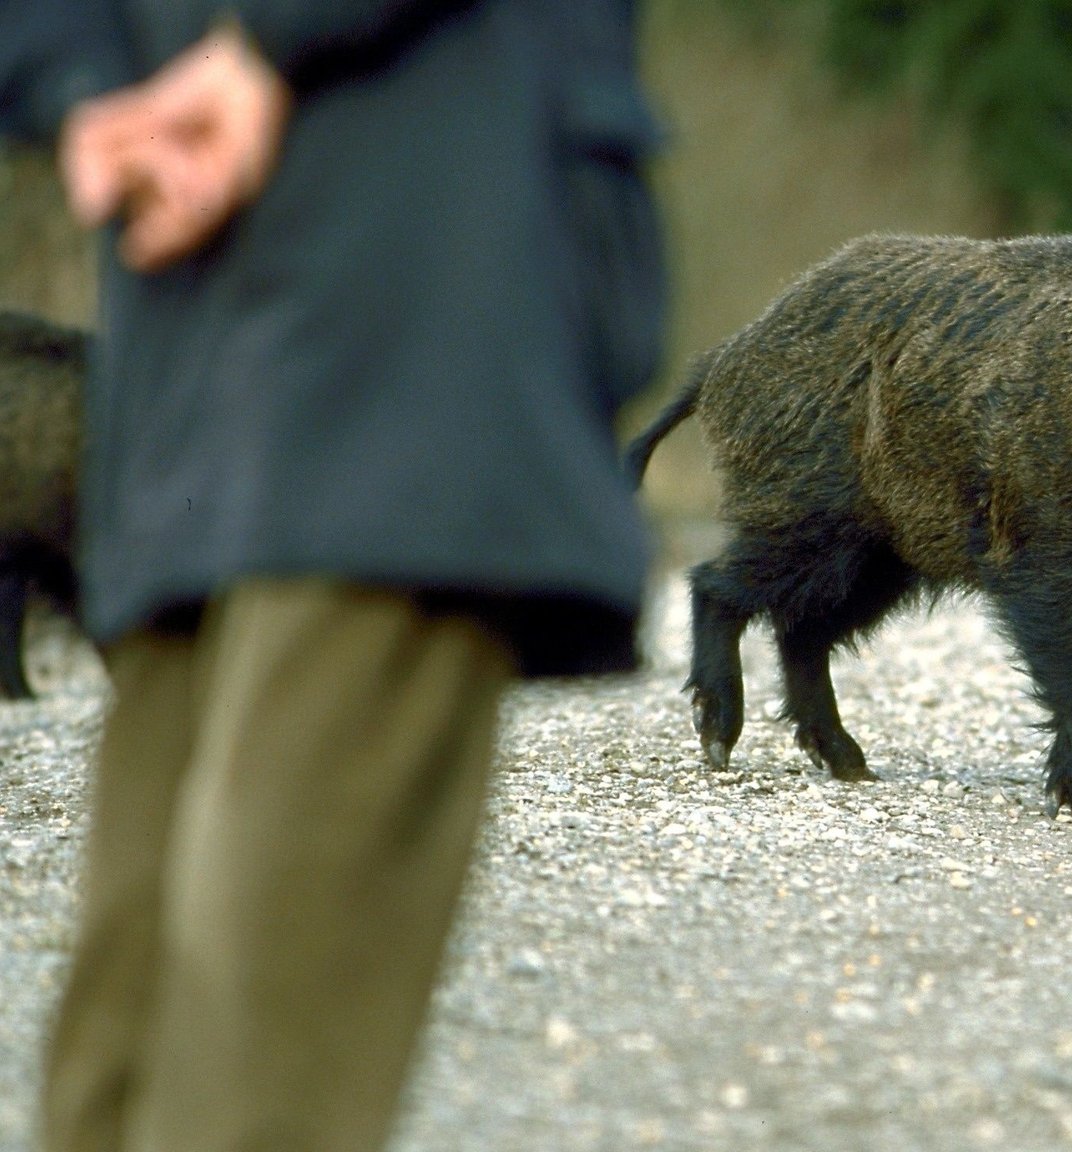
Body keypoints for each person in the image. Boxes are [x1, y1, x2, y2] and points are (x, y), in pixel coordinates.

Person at [0, 2, 667, 1149]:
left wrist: (99, 96)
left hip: (197, 332)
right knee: (228, 1071)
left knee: (136, 1057)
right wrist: (158, 78)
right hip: (406, 293)